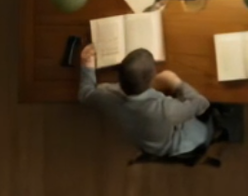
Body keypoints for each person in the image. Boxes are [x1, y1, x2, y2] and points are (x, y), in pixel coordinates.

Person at [76, 45, 212, 157]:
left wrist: (87, 65)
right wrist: (176, 83)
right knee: (208, 125)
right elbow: (202, 103)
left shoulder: (107, 97)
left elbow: (85, 93)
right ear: (153, 78)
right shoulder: (165, 110)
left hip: (146, 142)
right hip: (175, 144)